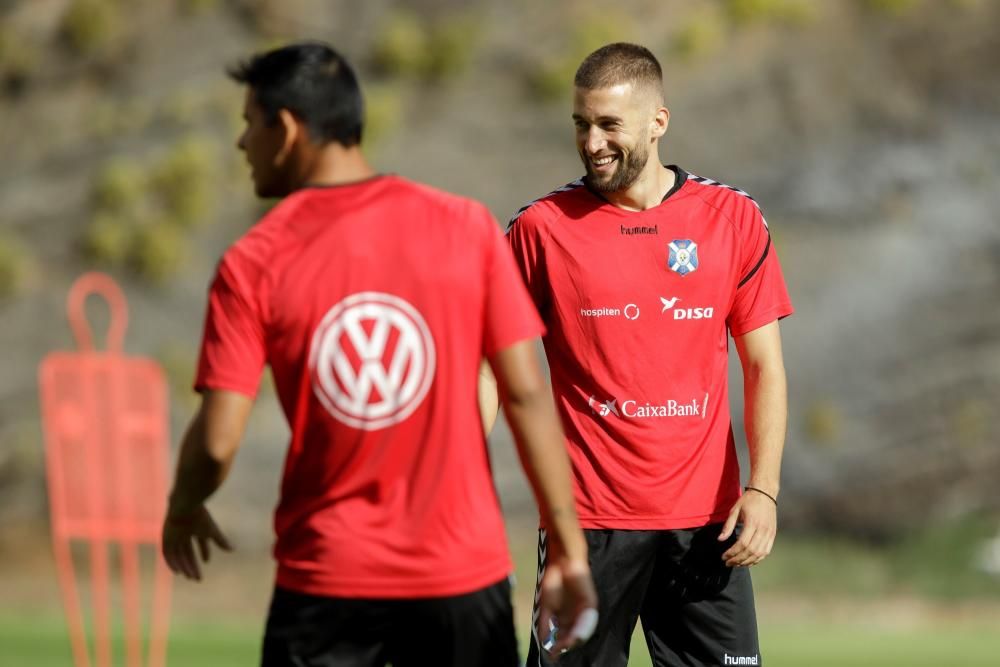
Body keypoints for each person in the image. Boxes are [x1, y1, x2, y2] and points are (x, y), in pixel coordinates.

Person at [160, 42, 597, 667]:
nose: (240, 144)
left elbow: (217, 442)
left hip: (328, 586)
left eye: (247, 123)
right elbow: (527, 395)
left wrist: (182, 507)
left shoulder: (254, 262)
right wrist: (570, 551)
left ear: (285, 129)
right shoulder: (465, 227)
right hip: (463, 582)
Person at [487, 42, 794, 666]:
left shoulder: (732, 219)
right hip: (586, 525)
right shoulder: (540, 229)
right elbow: (490, 368)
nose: (591, 141)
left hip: (708, 527)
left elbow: (762, 365)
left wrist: (763, 490)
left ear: (658, 122)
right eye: (580, 123)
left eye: (608, 125)